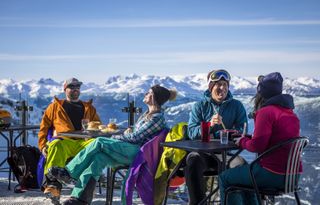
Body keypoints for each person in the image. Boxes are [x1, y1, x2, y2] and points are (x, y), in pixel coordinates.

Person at [48, 85, 177, 205]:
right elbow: (133, 132)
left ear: (154, 98)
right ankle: (79, 198)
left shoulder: (156, 118)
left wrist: (115, 137)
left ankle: (69, 172)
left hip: (138, 154)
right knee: (98, 158)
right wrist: (128, 132)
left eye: (149, 93)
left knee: (99, 142)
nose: (146, 94)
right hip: (131, 149)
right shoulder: (148, 115)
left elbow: (135, 137)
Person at [219, 72, 301, 205]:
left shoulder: (266, 112)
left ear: (261, 93)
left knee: (225, 178)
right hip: (293, 176)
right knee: (246, 178)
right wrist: (249, 138)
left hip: (272, 173)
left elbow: (257, 146)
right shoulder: (290, 113)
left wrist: (242, 141)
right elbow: (274, 139)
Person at [186, 69, 248, 204]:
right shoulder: (200, 106)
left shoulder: (236, 106)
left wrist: (228, 133)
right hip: (203, 154)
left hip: (225, 155)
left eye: (225, 85)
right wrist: (209, 126)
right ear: (210, 87)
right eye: (218, 84)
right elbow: (191, 133)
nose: (222, 88)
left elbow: (242, 130)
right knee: (192, 164)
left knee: (243, 167)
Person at [38, 78, 101, 203]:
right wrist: (42, 145)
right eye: (72, 87)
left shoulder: (89, 108)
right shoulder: (55, 107)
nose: (75, 89)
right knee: (56, 145)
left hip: (84, 141)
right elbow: (43, 128)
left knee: (98, 145)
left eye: (78, 87)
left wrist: (95, 130)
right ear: (65, 89)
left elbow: (97, 125)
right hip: (65, 141)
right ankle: (53, 186)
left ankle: (85, 186)